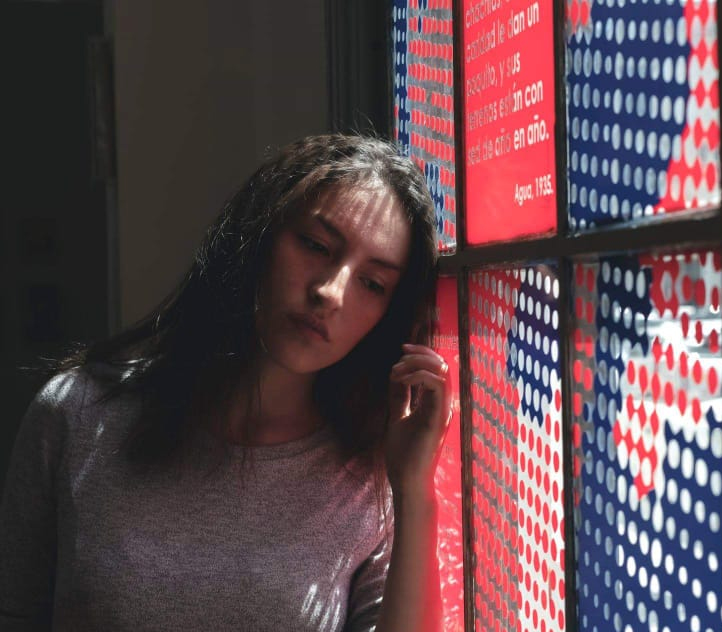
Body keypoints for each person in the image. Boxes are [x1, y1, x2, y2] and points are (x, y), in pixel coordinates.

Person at [0, 134, 451, 631]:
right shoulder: (77, 414)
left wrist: (414, 491)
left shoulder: (368, 481)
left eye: (372, 283)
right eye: (316, 246)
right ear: (259, 234)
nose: (330, 291)